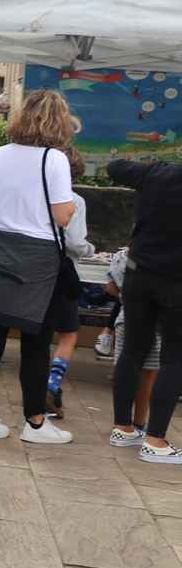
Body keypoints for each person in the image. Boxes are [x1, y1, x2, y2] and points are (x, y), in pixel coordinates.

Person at [0, 90, 78, 445]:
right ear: (59, 121)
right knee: (35, 345)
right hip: (38, 259)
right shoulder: (54, 159)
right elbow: (62, 216)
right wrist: (72, 207)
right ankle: (35, 423)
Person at [107, 155, 182, 463]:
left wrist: (154, 161)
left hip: (138, 274)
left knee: (133, 352)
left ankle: (123, 428)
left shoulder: (156, 172)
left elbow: (114, 167)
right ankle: (155, 441)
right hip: (176, 283)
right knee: (174, 359)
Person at [45, 146, 96, 418]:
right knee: (68, 333)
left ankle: (36, 382)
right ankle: (52, 384)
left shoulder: (36, 193)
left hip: (34, 271)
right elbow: (75, 242)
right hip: (63, 275)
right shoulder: (75, 200)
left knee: (38, 331)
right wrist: (91, 250)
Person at [105, 245, 159, 446]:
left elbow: (111, 288)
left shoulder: (121, 256)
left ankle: (121, 424)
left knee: (125, 369)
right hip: (155, 322)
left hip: (125, 318)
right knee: (147, 376)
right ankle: (139, 424)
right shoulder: (161, 255)